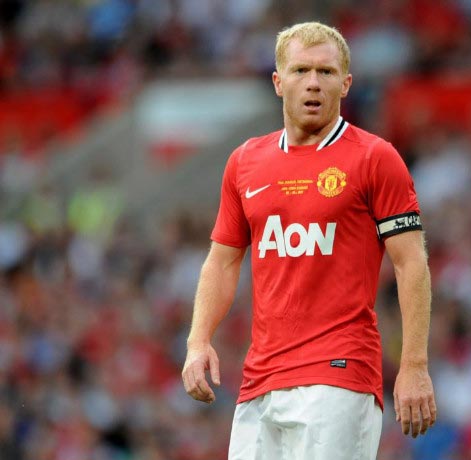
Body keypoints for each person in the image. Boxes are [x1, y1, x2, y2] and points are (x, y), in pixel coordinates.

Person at [182, 21, 436, 459]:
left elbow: (411, 262)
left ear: (346, 84)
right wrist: (198, 341)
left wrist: (414, 365)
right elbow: (222, 261)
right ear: (278, 83)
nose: (313, 83)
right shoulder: (245, 162)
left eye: (326, 72)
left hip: (339, 375)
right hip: (260, 380)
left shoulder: (375, 158)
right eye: (300, 71)